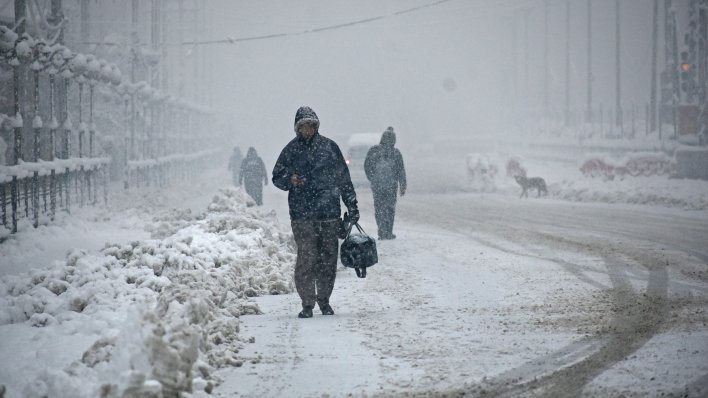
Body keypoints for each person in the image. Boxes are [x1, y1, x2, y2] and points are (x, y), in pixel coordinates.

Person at [272, 106, 360, 318]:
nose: (308, 130)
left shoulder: (330, 148)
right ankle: (307, 303)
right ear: (298, 128)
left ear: (316, 126)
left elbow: (344, 179)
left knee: (328, 260)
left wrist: (352, 205)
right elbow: (277, 177)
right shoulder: (291, 150)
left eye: (311, 125)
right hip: (302, 216)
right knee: (306, 259)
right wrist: (290, 180)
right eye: (304, 126)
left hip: (329, 215)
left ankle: (324, 301)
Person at [364, 126, 406, 240]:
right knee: (390, 209)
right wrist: (402, 185)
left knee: (379, 209)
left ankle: (381, 231)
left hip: (377, 186)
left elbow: (367, 166)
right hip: (391, 186)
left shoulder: (374, 150)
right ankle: (388, 231)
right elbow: (401, 170)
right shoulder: (396, 153)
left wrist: (372, 179)